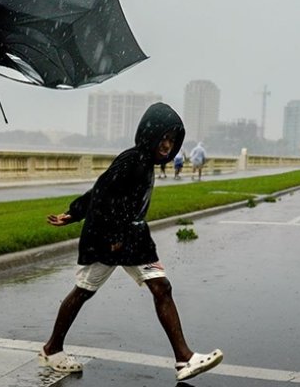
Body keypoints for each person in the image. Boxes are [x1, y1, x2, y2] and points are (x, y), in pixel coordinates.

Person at [41, 103, 223, 382]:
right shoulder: (133, 160)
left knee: (162, 287)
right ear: (149, 135)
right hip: (110, 238)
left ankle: (184, 358)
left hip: (135, 239)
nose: (167, 145)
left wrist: (75, 213)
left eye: (172, 141)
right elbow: (102, 192)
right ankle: (53, 349)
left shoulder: (146, 163)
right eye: (163, 138)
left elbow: (104, 192)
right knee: (83, 291)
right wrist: (87, 219)